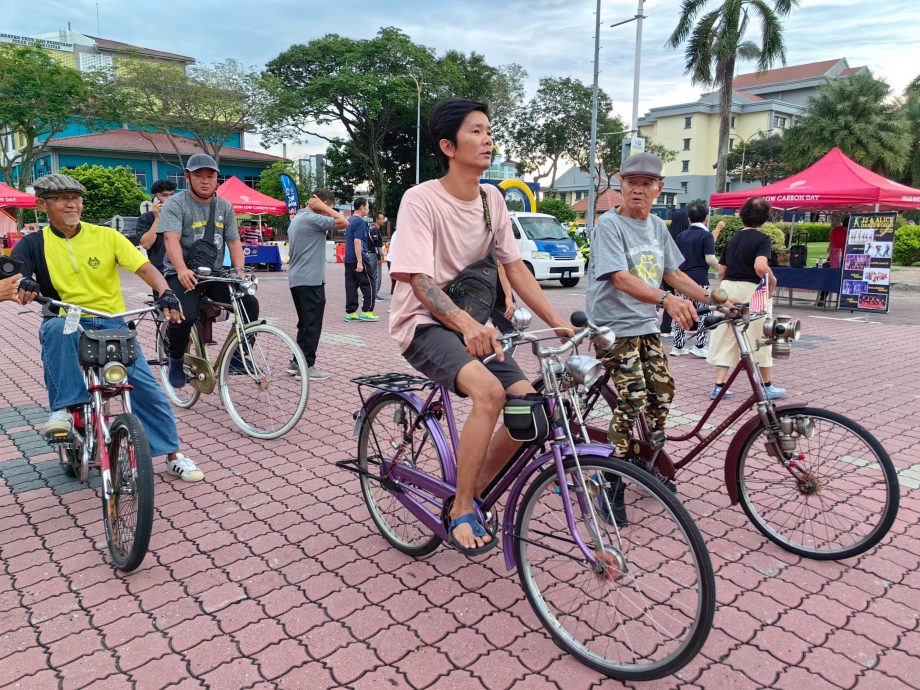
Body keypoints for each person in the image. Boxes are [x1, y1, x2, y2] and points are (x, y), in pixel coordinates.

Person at [390, 98, 571, 555]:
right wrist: (466, 322)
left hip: (476, 325)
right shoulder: (422, 199)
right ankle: (463, 507)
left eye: (489, 130)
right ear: (448, 145)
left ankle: (471, 484)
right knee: (489, 393)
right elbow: (417, 277)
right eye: (475, 131)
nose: (487, 139)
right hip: (423, 322)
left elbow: (515, 266)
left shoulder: (493, 199)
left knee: (529, 406)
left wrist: (557, 322)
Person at [11, 173, 204, 482]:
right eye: (61, 199)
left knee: (146, 387)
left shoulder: (106, 236)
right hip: (69, 316)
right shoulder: (34, 243)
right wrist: (24, 282)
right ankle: (63, 410)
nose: (70, 204)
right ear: (43, 204)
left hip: (111, 321)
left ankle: (172, 454)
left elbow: (144, 267)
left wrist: (164, 292)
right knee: (57, 327)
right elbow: (13, 276)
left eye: (75, 198)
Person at [587, 153, 718, 484]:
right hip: (612, 327)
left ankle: (650, 461)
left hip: (644, 324)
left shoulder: (658, 227)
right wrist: (667, 300)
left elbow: (672, 272)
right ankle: (610, 474)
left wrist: (713, 297)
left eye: (646, 184)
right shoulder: (610, 225)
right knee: (633, 395)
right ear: (621, 184)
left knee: (662, 392)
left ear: (659, 188)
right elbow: (620, 278)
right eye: (632, 183)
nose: (638, 191)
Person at [158, 153, 260, 388]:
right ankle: (175, 359)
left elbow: (234, 242)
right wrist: (181, 270)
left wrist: (239, 273)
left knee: (249, 303)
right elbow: (170, 239)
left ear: (217, 179)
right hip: (182, 272)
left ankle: (238, 358)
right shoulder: (176, 204)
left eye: (210, 176)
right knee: (185, 315)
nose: (205, 180)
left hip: (213, 273)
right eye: (199, 175)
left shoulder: (224, 206)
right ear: (187, 178)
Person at [707, 196, 786, 401]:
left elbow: (722, 271)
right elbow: (760, 267)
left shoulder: (733, 238)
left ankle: (719, 386)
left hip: (727, 289)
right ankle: (766, 385)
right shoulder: (762, 239)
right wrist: (772, 279)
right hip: (753, 292)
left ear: (742, 215)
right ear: (766, 218)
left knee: (726, 334)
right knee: (761, 335)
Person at [286, 189, 347, 380]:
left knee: (305, 323)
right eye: (328, 207)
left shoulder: (297, 219)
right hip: (310, 279)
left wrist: (322, 207)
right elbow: (345, 222)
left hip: (298, 279)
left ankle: (297, 362)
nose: (328, 211)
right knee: (312, 324)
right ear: (322, 205)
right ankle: (307, 366)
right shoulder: (312, 219)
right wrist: (322, 207)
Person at [671, 202, 720, 358]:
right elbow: (710, 259)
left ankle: (678, 346)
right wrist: (721, 269)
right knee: (705, 312)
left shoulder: (681, 235)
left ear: (689, 219)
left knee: (681, 312)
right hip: (700, 280)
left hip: (681, 280)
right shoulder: (706, 235)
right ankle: (700, 345)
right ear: (706, 218)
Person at [343, 197, 378, 322]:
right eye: (367, 207)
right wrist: (359, 261)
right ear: (362, 207)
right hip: (360, 257)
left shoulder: (349, 220)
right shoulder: (359, 222)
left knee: (351, 285)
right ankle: (367, 311)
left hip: (348, 258)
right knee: (369, 283)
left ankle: (350, 312)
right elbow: (357, 242)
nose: (368, 209)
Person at [135, 179, 178, 274]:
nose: (170, 199)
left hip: (182, 269)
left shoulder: (180, 215)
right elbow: (146, 244)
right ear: (155, 198)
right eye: (164, 195)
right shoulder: (146, 218)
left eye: (172, 195)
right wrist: (158, 218)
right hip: (160, 270)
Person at [659, 210, 690, 338]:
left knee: (668, 296)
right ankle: (676, 330)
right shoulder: (685, 235)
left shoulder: (668, 234)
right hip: (679, 272)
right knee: (676, 299)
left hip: (664, 272)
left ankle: (665, 327)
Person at [368, 212, 386, 300]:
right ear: (377, 220)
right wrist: (379, 258)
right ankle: (374, 295)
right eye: (382, 219)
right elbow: (375, 245)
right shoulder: (374, 229)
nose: (383, 220)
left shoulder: (372, 228)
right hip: (374, 254)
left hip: (372, 254)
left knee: (373, 275)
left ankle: (371, 294)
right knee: (377, 275)